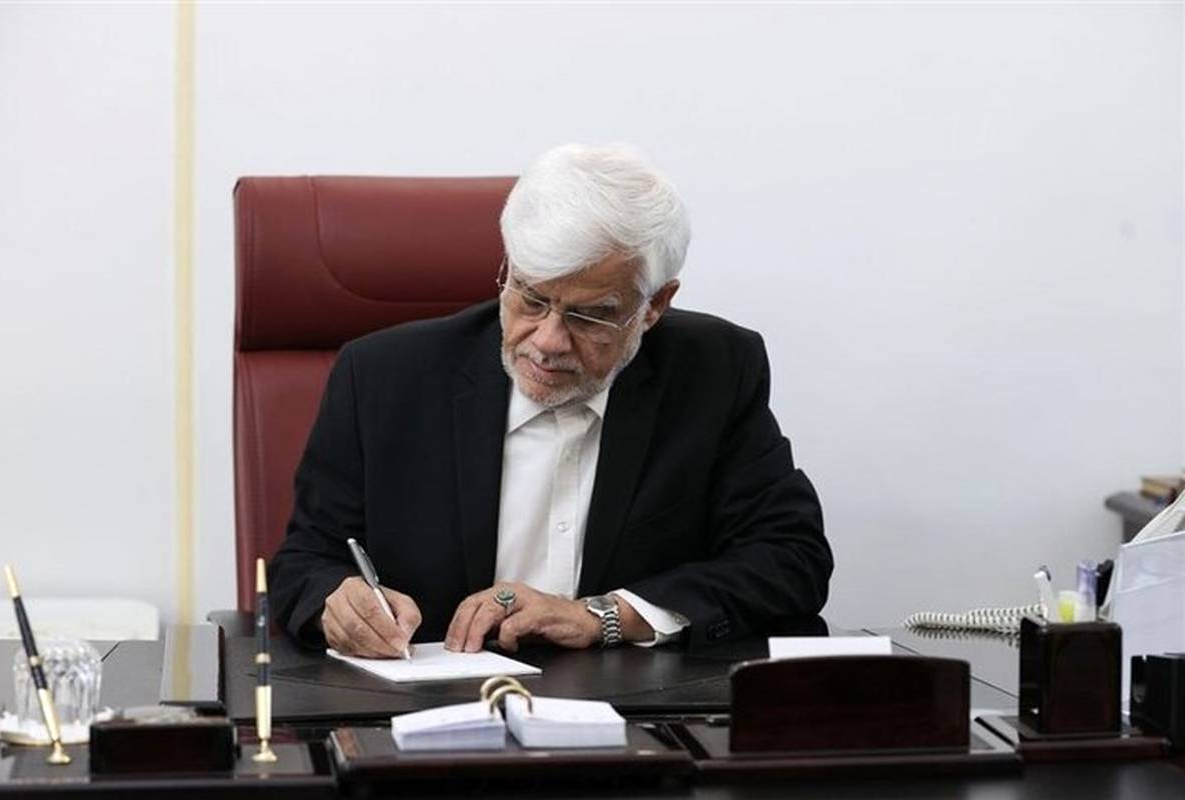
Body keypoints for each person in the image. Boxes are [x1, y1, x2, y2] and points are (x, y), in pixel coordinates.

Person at [269, 143, 832, 658]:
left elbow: (791, 559)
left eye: (590, 315)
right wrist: (336, 603)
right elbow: (305, 563)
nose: (548, 341)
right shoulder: (384, 377)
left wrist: (603, 616)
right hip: (432, 707)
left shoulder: (713, 371)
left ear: (654, 306)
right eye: (531, 298)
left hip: (633, 710)